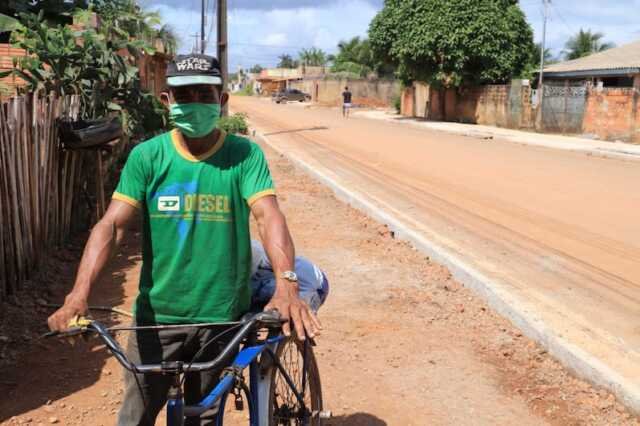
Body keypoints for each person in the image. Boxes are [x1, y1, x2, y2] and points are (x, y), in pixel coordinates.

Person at [47, 54, 322, 426]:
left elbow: (267, 216)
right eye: (184, 94)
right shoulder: (148, 157)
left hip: (222, 320)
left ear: (222, 100)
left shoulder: (243, 155)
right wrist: (78, 294)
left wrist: (287, 284)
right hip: (156, 321)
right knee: (134, 417)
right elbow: (112, 225)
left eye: (204, 94)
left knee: (203, 419)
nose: (194, 102)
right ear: (167, 101)